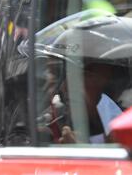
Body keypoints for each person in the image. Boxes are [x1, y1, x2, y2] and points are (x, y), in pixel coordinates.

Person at [35, 12, 132, 144]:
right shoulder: (46, 132)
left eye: (85, 73)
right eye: (59, 75)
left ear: (118, 80)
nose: (65, 86)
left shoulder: (123, 130)